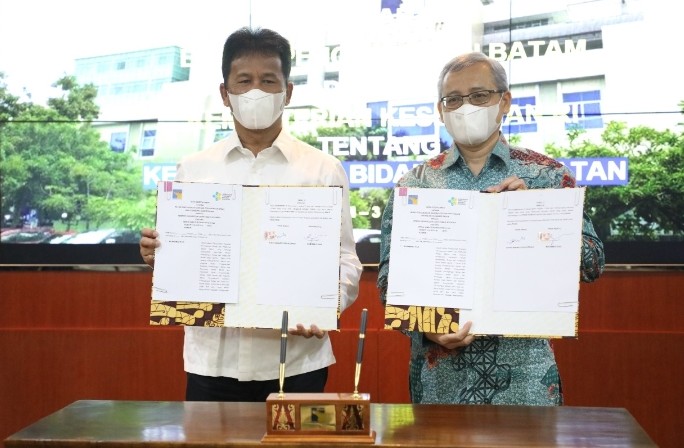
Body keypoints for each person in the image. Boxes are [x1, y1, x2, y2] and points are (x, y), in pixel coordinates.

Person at [139, 27, 362, 402]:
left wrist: (326, 304)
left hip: (296, 360)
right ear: (225, 94)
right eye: (244, 81)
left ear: (288, 92)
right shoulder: (193, 169)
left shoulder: (322, 169)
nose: (256, 91)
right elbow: (183, 259)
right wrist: (160, 256)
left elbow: (346, 259)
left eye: (268, 80)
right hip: (212, 361)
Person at [377, 52, 605, 406]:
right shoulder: (416, 184)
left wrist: (534, 215)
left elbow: (592, 264)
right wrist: (428, 328)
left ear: (505, 101)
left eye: (479, 96)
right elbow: (389, 281)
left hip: (525, 380)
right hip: (440, 383)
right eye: (453, 99)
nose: (465, 107)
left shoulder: (546, 175)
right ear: (440, 110)